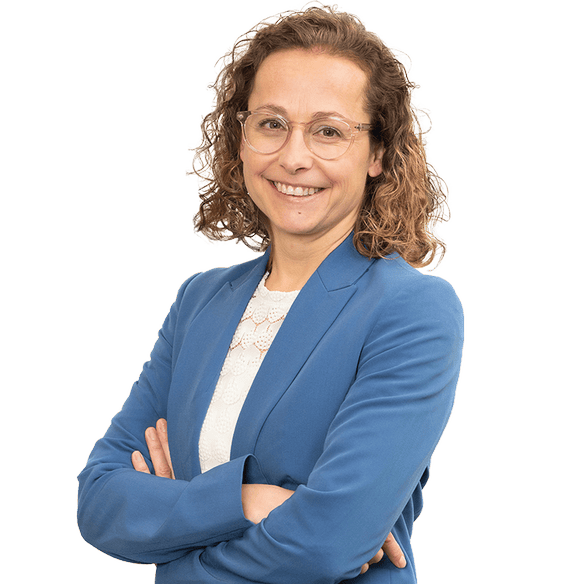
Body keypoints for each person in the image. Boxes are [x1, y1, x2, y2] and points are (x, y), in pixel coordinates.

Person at [75, 2, 465, 582]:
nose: (293, 157)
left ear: (378, 154)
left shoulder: (412, 310)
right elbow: (101, 501)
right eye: (271, 124)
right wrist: (246, 499)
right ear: (241, 138)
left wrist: (176, 538)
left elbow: (327, 544)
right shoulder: (199, 300)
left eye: (329, 131)